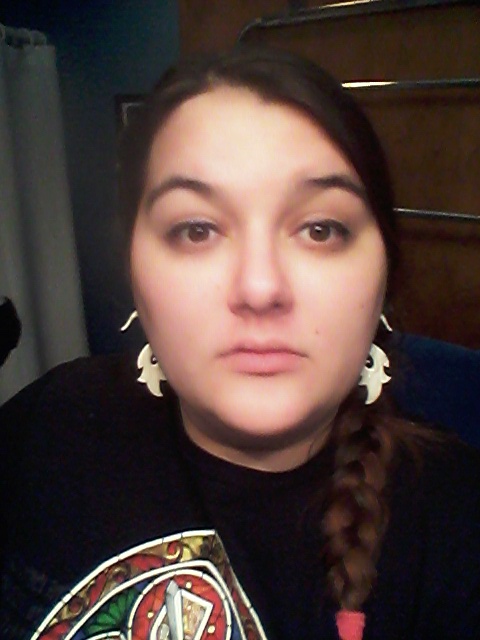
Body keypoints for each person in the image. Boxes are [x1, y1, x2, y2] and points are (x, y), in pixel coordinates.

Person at [1, 46, 479, 640]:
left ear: (385, 270)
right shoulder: (47, 425)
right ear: (133, 269)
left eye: (320, 229)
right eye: (196, 229)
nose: (259, 288)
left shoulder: (459, 522)